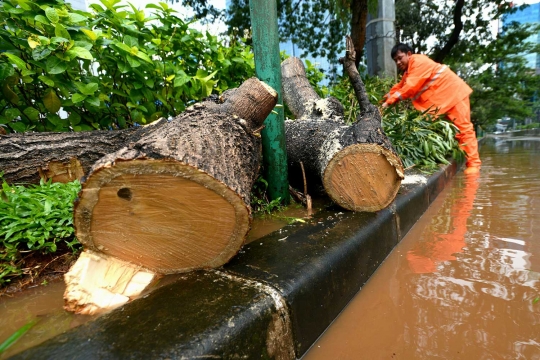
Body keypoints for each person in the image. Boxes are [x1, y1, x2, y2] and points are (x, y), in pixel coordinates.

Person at [381, 43, 481, 174]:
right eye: (395, 60)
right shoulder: (408, 72)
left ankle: (474, 165)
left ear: (409, 54)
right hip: (442, 101)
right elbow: (399, 87)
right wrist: (383, 99)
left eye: (400, 58)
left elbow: (410, 87)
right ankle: (461, 158)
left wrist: (388, 103)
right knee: (454, 132)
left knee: (464, 129)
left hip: (454, 94)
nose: (398, 62)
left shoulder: (418, 61)